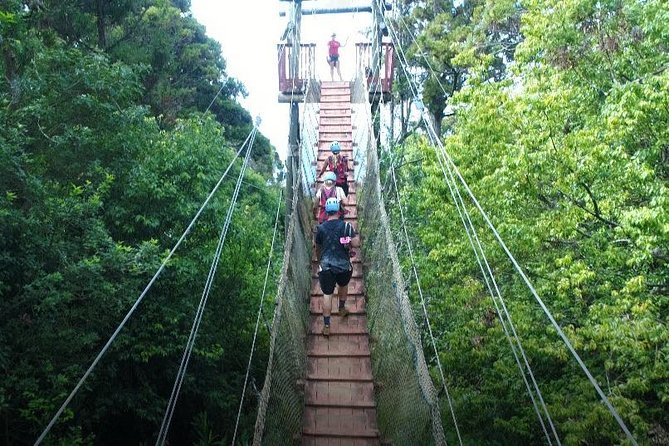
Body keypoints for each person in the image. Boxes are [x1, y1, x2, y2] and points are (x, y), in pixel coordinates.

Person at [315, 197, 357, 336]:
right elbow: (356, 243)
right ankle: (341, 308)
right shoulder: (346, 226)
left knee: (327, 295)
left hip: (326, 266)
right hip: (343, 265)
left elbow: (318, 247)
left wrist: (320, 260)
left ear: (326, 212)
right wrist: (347, 239)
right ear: (339, 210)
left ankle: (327, 326)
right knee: (343, 285)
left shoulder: (320, 228)